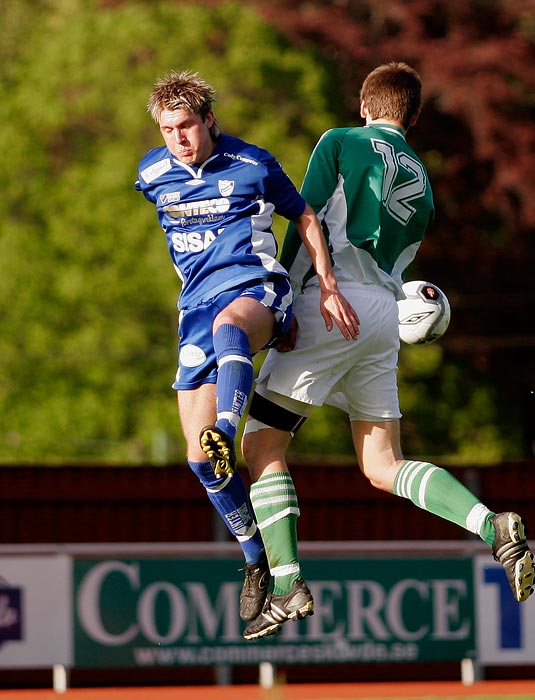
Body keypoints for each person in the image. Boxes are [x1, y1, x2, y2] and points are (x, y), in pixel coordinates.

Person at [240, 62, 535, 640]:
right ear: (414, 117)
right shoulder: (423, 176)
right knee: (383, 465)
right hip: (383, 316)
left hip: (332, 304)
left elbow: (310, 221)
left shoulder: (341, 141)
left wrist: (286, 305)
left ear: (363, 105)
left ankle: (285, 583)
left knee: (261, 444)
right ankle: (491, 525)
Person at [135, 70, 359, 624]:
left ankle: (226, 431)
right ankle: (258, 560)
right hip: (194, 310)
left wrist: (326, 288)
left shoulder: (252, 163)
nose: (180, 138)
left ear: (210, 120)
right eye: (169, 129)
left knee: (231, 330)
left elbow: (304, 214)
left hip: (256, 289)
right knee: (199, 462)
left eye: (188, 125)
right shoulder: (151, 172)